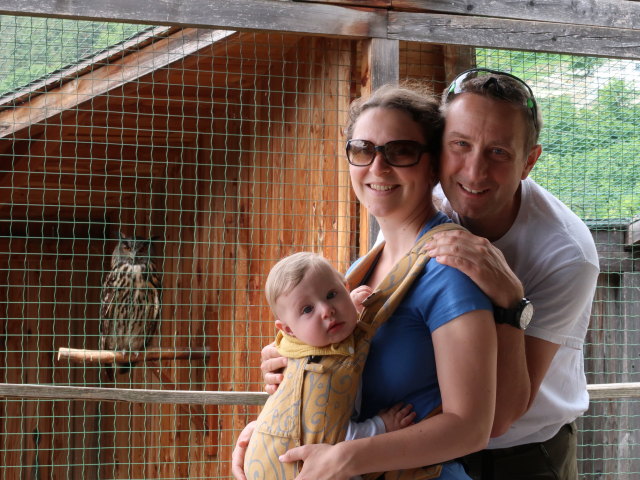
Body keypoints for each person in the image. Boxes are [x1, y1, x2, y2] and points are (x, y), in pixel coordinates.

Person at [242, 69, 600, 480]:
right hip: (415, 452)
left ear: (528, 162)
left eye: (401, 152)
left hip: (525, 449)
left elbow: (495, 419)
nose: (473, 172)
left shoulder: (563, 253)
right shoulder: (414, 221)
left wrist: (511, 303)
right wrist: (277, 426)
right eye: (461, 145)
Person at [234, 82, 498, 480]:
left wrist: (345, 458)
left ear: (432, 166)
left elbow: (471, 427)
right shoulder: (359, 270)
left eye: (401, 151)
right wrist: (274, 438)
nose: (378, 167)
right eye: (363, 150)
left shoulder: (450, 268)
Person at [244, 251, 416, 479]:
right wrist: (381, 426)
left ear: (346, 287)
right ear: (287, 330)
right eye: (307, 310)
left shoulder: (308, 346)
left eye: (332, 294)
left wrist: (352, 309)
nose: (327, 310)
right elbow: (333, 436)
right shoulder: (320, 375)